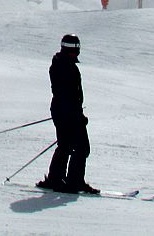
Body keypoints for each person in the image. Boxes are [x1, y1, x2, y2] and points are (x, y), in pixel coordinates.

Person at [37, 33, 99, 194]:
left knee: (67, 145)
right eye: (73, 49)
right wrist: (75, 114)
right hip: (67, 112)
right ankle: (68, 181)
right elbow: (66, 94)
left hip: (65, 111)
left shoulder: (63, 64)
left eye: (76, 49)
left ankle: (60, 179)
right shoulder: (64, 66)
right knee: (77, 147)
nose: (75, 52)